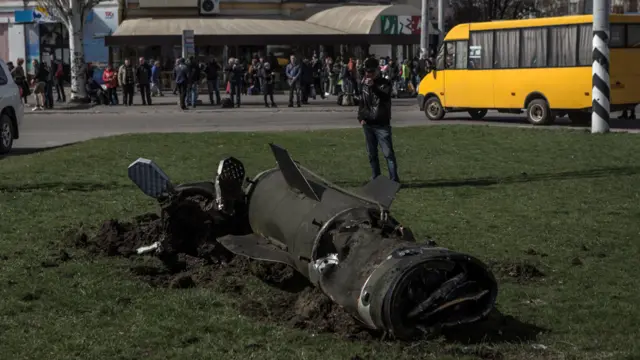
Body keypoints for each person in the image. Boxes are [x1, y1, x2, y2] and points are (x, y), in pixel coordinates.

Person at [358, 57, 399, 183]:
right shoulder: (364, 84)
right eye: (366, 72)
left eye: (370, 72)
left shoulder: (384, 83)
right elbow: (362, 102)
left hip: (381, 123)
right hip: (368, 123)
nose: (368, 74)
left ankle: (394, 179)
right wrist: (360, 117)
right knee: (372, 154)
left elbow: (385, 96)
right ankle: (376, 177)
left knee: (388, 154)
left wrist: (374, 86)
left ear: (377, 71)